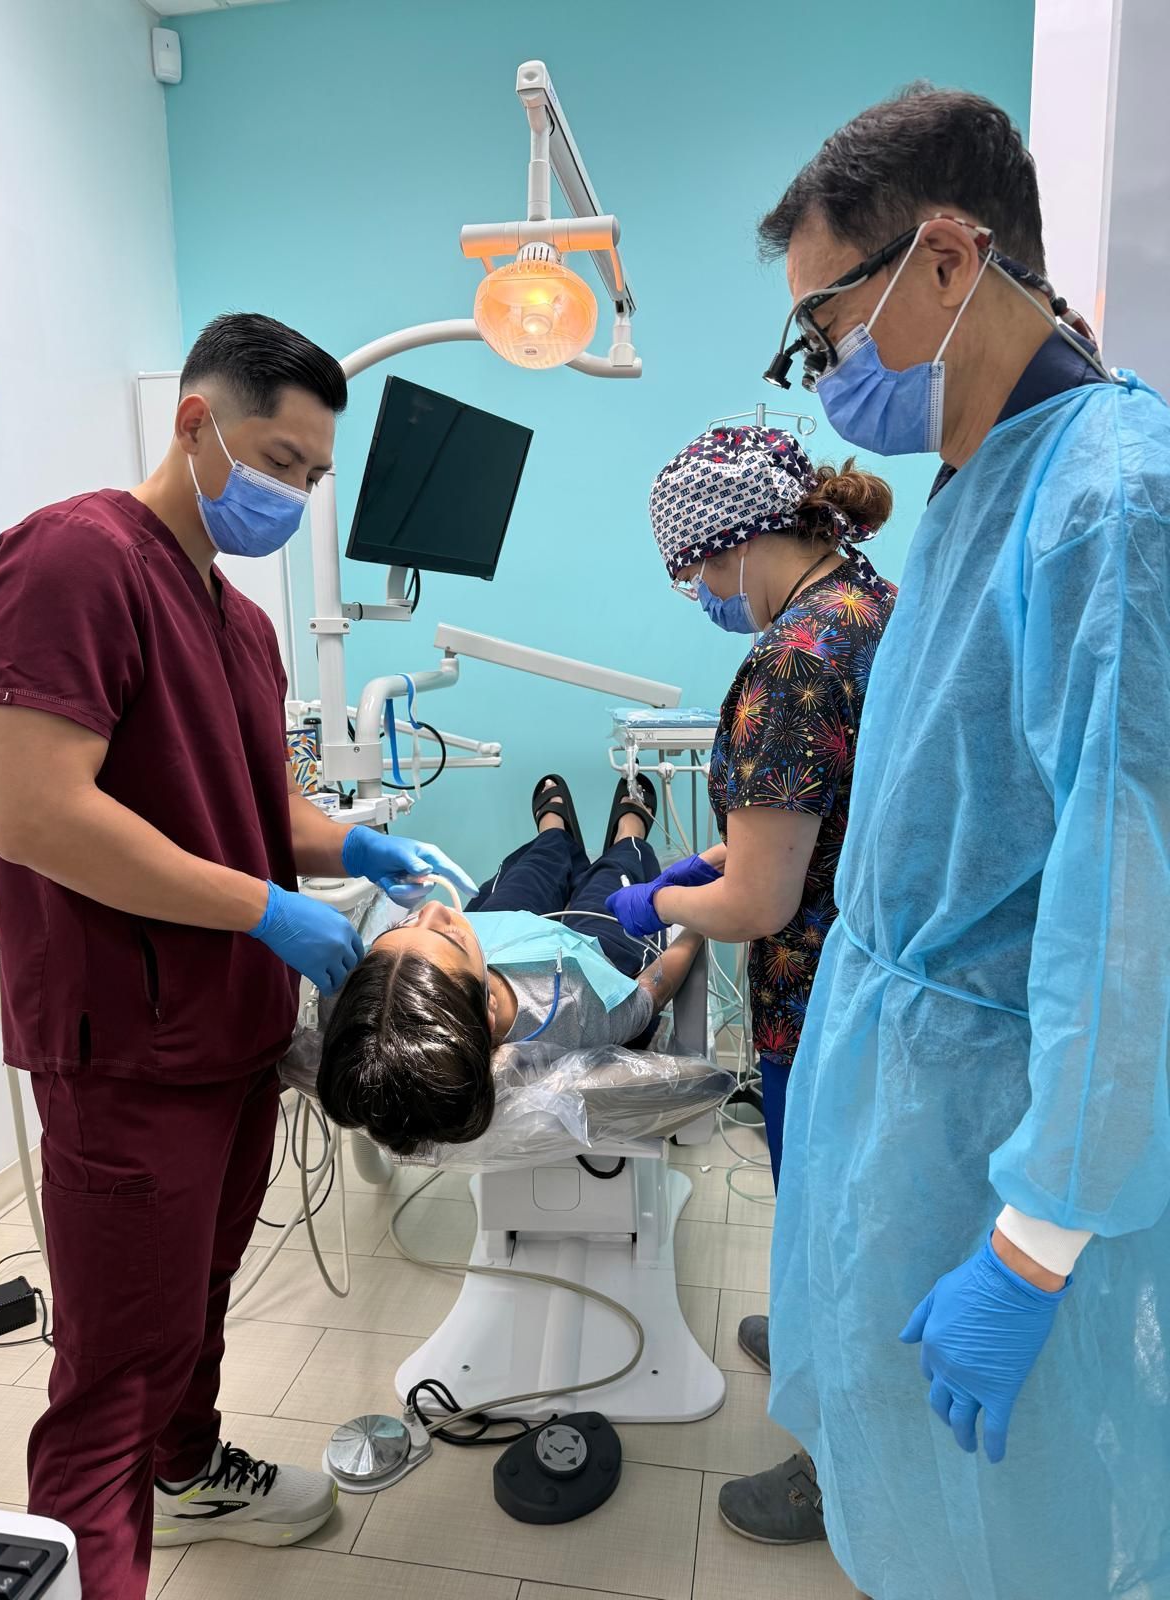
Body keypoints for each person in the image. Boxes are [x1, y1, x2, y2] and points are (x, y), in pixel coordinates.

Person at [0, 312, 474, 1600]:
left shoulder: (240, 622)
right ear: (195, 422)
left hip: (234, 1037)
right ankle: (96, 1563)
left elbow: (255, 807)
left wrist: (351, 850)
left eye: (311, 474)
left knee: (197, 1295)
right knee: (112, 1366)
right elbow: (40, 813)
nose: (293, 494)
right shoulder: (69, 562)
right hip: (128, 1044)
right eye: (278, 459)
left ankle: (187, 1469)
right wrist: (264, 910)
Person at [755, 85, 1170, 1600]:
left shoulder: (1111, 504)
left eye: (825, 327)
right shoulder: (982, 482)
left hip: (1015, 1153)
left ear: (945, 257)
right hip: (916, 1098)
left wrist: (1040, 1234)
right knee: (923, 1514)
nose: (823, 379)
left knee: (1032, 1535)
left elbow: (1131, 905)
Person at [607, 426, 896, 1542]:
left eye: (691, 573)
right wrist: (723, 858)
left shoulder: (790, 662)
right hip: (874, 979)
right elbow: (827, 822)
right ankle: (824, 1340)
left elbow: (763, 909)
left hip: (817, 1000)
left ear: (727, 544)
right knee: (854, 1215)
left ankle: (839, 1470)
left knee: (836, 1225)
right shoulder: (870, 604)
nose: (697, 593)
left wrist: (660, 901)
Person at [315, 775, 705, 1155]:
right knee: (614, 881)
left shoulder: (364, 1012)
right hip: (590, 957)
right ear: (487, 1011)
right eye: (445, 934)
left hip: (495, 931)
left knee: (534, 868)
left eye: (405, 924)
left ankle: (554, 834)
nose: (434, 908)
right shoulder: (576, 1005)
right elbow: (650, 993)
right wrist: (698, 925)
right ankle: (629, 833)